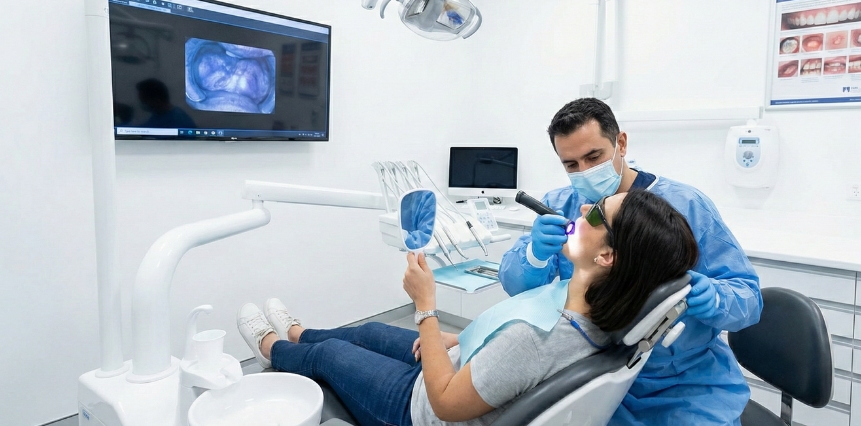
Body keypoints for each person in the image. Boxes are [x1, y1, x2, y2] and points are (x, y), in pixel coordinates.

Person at [237, 190, 699, 426]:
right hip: (466, 362)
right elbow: (508, 344)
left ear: (608, 258)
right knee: (365, 335)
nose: (581, 206)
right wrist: (460, 339)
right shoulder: (594, 312)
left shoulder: (538, 339)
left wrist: (426, 307)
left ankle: (272, 346)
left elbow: (445, 403)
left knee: (330, 357)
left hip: (422, 407)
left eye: (596, 213)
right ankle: (298, 334)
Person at [499, 97, 762, 425]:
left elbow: (749, 301)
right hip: (593, 374)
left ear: (620, 143)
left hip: (681, 385)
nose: (584, 172)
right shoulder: (561, 205)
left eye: (594, 157)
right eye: (571, 165)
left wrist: (715, 298)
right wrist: (535, 254)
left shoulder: (686, 206)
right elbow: (516, 285)